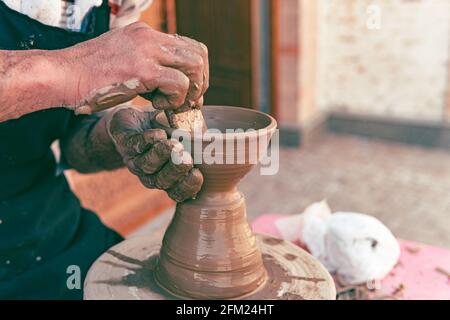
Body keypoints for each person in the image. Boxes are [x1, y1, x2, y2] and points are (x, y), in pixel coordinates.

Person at [0, 0, 208, 299]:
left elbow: (75, 144)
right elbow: (84, 70)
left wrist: (117, 135)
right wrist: (81, 66)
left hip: (39, 211)